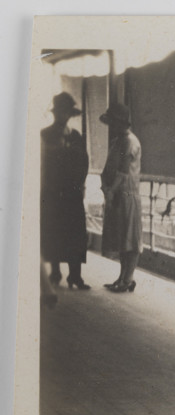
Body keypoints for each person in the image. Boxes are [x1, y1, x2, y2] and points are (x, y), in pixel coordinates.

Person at [41, 92, 90, 289]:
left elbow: (83, 163)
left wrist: (80, 184)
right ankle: (54, 271)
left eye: (67, 113)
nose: (64, 116)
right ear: (55, 113)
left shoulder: (76, 136)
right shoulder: (45, 135)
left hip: (73, 193)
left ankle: (75, 276)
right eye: (61, 112)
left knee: (75, 233)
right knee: (53, 230)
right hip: (51, 192)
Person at [99, 103, 142, 293]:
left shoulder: (130, 142)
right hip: (116, 194)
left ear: (120, 122)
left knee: (130, 239)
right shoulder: (118, 141)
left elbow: (123, 172)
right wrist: (106, 188)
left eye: (113, 122)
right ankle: (122, 277)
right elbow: (109, 168)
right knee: (122, 239)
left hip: (127, 194)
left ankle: (128, 278)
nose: (111, 126)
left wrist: (110, 190)